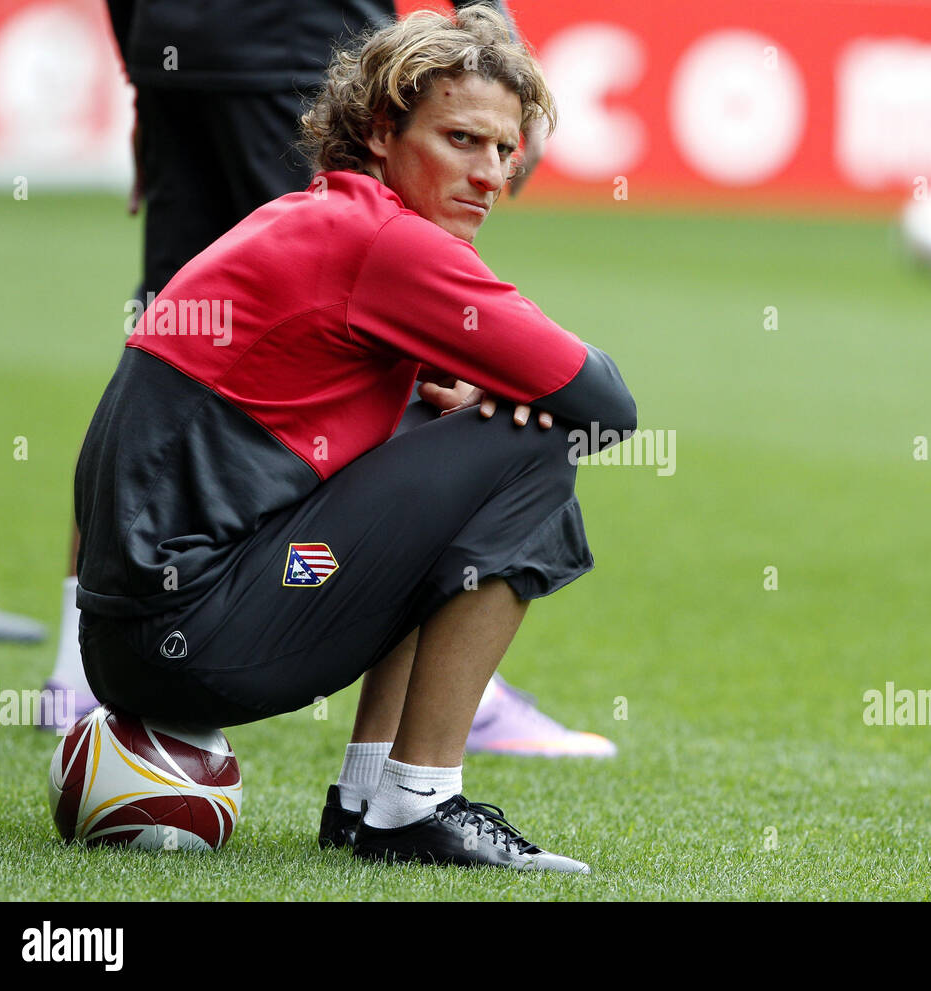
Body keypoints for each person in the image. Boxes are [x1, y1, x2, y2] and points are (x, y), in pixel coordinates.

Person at [73, 6, 634, 872]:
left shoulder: (316, 217)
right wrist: (492, 388)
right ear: (381, 131)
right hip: (205, 636)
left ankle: (368, 800)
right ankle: (414, 804)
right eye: (460, 139)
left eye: (503, 149)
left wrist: (442, 385)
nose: (488, 174)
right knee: (530, 442)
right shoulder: (388, 244)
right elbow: (605, 403)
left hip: (133, 639)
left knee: (441, 428)